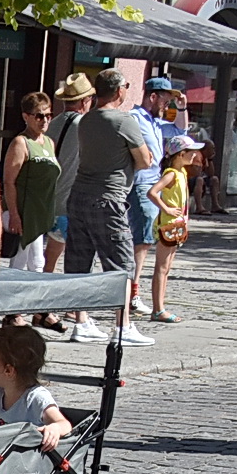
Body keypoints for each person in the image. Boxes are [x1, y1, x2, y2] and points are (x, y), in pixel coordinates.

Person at [64, 68, 153, 345]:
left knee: (79, 262)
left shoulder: (86, 119)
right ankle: (123, 326)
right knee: (121, 264)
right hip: (109, 197)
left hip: (79, 194)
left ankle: (81, 321)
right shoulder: (122, 120)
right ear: (119, 91)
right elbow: (145, 160)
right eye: (126, 85)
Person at [129, 77, 181, 316]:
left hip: (151, 182)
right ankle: (133, 293)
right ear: (153, 97)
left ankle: (132, 291)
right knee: (143, 240)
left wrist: (183, 107)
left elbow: (180, 130)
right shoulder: (136, 119)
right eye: (165, 100)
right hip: (141, 183)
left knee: (146, 238)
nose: (167, 106)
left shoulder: (155, 122)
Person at [0, 324, 71, 452]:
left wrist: (55, 428)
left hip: (25, 466)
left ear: (8, 370)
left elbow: (64, 423)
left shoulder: (35, 398)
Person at [1, 91, 59, 274]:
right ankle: (14, 298)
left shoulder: (49, 142)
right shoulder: (21, 143)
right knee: (29, 262)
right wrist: (14, 215)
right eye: (39, 116)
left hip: (40, 211)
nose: (45, 120)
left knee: (34, 261)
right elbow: (9, 181)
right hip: (23, 212)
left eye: (48, 115)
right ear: (26, 117)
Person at [147, 133, 202, 324]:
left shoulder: (182, 173)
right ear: (180, 154)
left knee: (167, 267)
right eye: (190, 152)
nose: (194, 156)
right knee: (161, 267)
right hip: (168, 225)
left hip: (177, 225)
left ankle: (160, 306)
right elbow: (152, 192)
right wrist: (167, 208)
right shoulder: (171, 174)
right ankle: (157, 308)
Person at [44, 73, 93, 278]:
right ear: (84, 101)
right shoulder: (84, 125)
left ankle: (42, 304)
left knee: (51, 256)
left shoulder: (52, 123)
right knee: (78, 261)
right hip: (71, 202)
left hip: (50, 202)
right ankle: (74, 310)